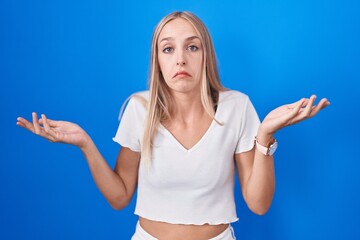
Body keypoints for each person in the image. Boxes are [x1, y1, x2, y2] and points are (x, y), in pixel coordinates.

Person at [16, 11, 330, 240]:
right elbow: (120, 196)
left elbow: (258, 204)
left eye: (192, 47)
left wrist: (265, 136)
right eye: (169, 49)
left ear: (206, 55)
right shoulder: (140, 108)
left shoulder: (237, 107)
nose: (180, 59)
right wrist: (86, 143)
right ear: (159, 60)